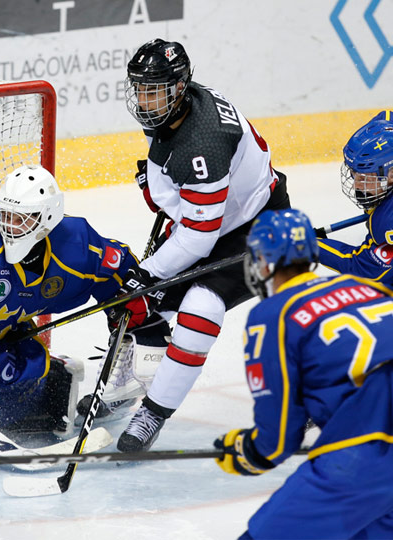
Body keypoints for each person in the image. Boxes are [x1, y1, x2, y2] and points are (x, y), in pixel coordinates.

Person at [100, 38, 292, 452]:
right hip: (216, 220)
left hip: (257, 228)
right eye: (141, 89)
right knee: (132, 300)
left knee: (199, 307)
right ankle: (124, 382)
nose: (146, 101)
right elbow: (191, 208)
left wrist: (148, 274)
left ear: (180, 86)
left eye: (156, 91)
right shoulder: (185, 110)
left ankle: (154, 410)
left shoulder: (202, 143)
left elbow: (200, 235)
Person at [0, 164, 143, 435]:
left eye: (21, 218)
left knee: (16, 412)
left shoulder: (76, 248)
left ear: (48, 217)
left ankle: (54, 376)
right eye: (5, 215)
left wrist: (127, 318)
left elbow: (123, 272)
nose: (9, 225)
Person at [213, 208, 393, 538]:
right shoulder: (367, 288)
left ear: (262, 262)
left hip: (368, 453)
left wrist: (247, 451)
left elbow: (277, 439)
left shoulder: (273, 315)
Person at [317, 110, 393, 286]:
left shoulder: (388, 222)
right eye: (354, 174)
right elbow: (387, 116)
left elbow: (359, 267)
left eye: (365, 178)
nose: (356, 185)